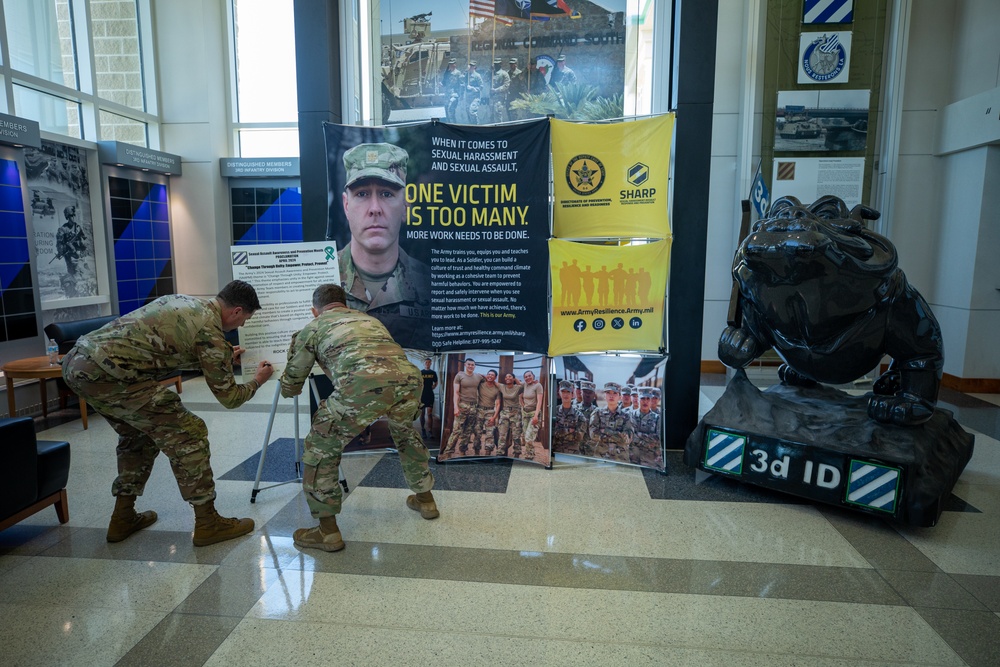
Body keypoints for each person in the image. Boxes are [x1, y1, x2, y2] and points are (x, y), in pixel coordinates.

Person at [62, 280, 274, 546]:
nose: (242, 326)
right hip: (112, 374)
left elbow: (167, 344)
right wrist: (258, 380)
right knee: (190, 434)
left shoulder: (186, 301)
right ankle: (208, 523)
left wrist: (219, 358)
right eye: (245, 320)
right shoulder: (212, 336)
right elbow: (230, 398)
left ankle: (122, 517)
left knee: (138, 435)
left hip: (78, 364)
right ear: (236, 311)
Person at [280, 283, 438, 552]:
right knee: (405, 433)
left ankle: (327, 532)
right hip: (409, 380)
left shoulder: (313, 327)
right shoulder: (370, 320)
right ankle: (425, 500)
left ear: (314, 310)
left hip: (362, 384)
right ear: (345, 304)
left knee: (321, 446)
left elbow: (291, 385)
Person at [338, 142, 430, 350]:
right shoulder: (320, 281)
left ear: (405, 206)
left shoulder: (433, 288)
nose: (375, 209)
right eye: (362, 194)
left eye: (386, 194)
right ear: (346, 205)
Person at [441, 357, 483, 458]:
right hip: (462, 406)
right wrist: (456, 407)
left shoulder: (478, 376)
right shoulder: (459, 376)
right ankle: (448, 452)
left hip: (473, 407)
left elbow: (488, 379)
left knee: (467, 431)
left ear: (475, 366)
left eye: (472, 365)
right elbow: (455, 393)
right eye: (468, 364)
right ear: (465, 365)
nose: (470, 366)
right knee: (456, 430)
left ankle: (462, 451)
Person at [588, 381, 633, 462]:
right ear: (605, 395)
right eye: (608, 392)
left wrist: (604, 431)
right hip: (601, 457)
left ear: (619, 397)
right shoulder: (597, 413)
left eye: (615, 393)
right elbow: (593, 435)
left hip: (620, 459)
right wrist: (618, 435)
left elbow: (627, 439)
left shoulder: (626, 416)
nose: (611, 395)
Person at [56, 205, 86, 297]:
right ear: (67, 217)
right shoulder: (62, 229)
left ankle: (80, 290)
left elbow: (84, 239)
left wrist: (83, 248)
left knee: (81, 272)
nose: (73, 218)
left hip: (79, 254)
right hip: (70, 255)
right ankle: (72, 292)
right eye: (71, 216)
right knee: (73, 272)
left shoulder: (78, 227)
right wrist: (63, 250)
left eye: (74, 215)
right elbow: (59, 244)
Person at [630, 386, 663, 469]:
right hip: (633, 458)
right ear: (638, 400)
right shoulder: (631, 415)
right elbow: (629, 436)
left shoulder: (657, 418)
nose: (645, 401)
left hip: (651, 459)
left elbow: (658, 439)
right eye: (642, 398)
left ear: (651, 400)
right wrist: (648, 438)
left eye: (648, 399)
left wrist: (638, 435)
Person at [552, 380, 586, 455]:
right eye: (563, 391)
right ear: (559, 393)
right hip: (556, 453)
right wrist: (569, 431)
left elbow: (579, 437)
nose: (565, 395)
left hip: (573, 454)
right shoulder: (553, 413)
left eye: (568, 392)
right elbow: (552, 433)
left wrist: (560, 431)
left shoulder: (579, 415)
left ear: (572, 394)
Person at [474, 369, 502, 455]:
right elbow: (477, 375)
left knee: (490, 433)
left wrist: (494, 417)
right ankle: (476, 451)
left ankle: (488, 451)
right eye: (488, 374)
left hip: (490, 411)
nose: (490, 376)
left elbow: (498, 404)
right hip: (479, 410)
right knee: (477, 432)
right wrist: (484, 376)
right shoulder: (481, 385)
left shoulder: (497, 389)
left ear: (495, 377)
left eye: (492, 375)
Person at [496, 372, 524, 457]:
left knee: (516, 435)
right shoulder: (502, 386)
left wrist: (514, 379)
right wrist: (483, 376)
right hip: (505, 412)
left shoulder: (517, 387)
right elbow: (492, 380)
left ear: (513, 378)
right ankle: (500, 453)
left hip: (515, 413)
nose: (507, 378)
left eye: (510, 376)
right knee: (502, 434)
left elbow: (523, 386)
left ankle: (517, 454)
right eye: (506, 377)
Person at [520, 369, 544, 458]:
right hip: (525, 413)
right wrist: (523, 405)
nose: (528, 378)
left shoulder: (538, 385)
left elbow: (539, 402)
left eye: (529, 376)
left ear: (533, 376)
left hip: (534, 413)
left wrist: (536, 416)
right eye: (525, 377)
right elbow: (517, 383)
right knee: (526, 435)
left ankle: (530, 456)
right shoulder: (525, 385)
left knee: (529, 436)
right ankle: (529, 454)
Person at [419, 357, 438, 438]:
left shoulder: (433, 373)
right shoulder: (420, 372)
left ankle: (430, 431)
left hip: (430, 394)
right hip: (422, 395)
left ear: (431, 363)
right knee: (422, 413)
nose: (427, 364)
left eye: (429, 362)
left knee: (429, 414)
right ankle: (423, 430)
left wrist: (434, 386)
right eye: (426, 362)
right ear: (424, 363)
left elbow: (436, 381)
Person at [442, 58, 463, 122]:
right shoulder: (447, 73)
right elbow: (444, 83)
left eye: (452, 64)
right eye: (450, 64)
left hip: (454, 95)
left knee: (450, 110)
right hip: (447, 95)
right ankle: (449, 124)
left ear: (455, 65)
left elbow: (461, 84)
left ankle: (454, 124)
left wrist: (461, 95)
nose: (451, 66)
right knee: (446, 111)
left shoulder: (458, 73)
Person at [490, 57, 510, 123]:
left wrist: (496, 90)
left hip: (500, 97)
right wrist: (490, 70)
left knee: (498, 113)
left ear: (500, 64)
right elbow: (484, 79)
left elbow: (506, 85)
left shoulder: (504, 74)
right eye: (495, 64)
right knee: (491, 115)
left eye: (497, 64)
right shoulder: (492, 73)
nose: (496, 65)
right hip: (492, 97)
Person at [464, 60, 484, 124]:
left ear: (474, 67)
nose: (470, 67)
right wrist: (465, 70)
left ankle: (477, 125)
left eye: (472, 66)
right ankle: (471, 126)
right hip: (468, 97)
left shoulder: (477, 76)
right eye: (470, 66)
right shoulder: (467, 75)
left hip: (475, 97)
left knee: (472, 112)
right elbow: (461, 78)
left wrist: (473, 88)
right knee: (468, 112)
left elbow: (481, 86)